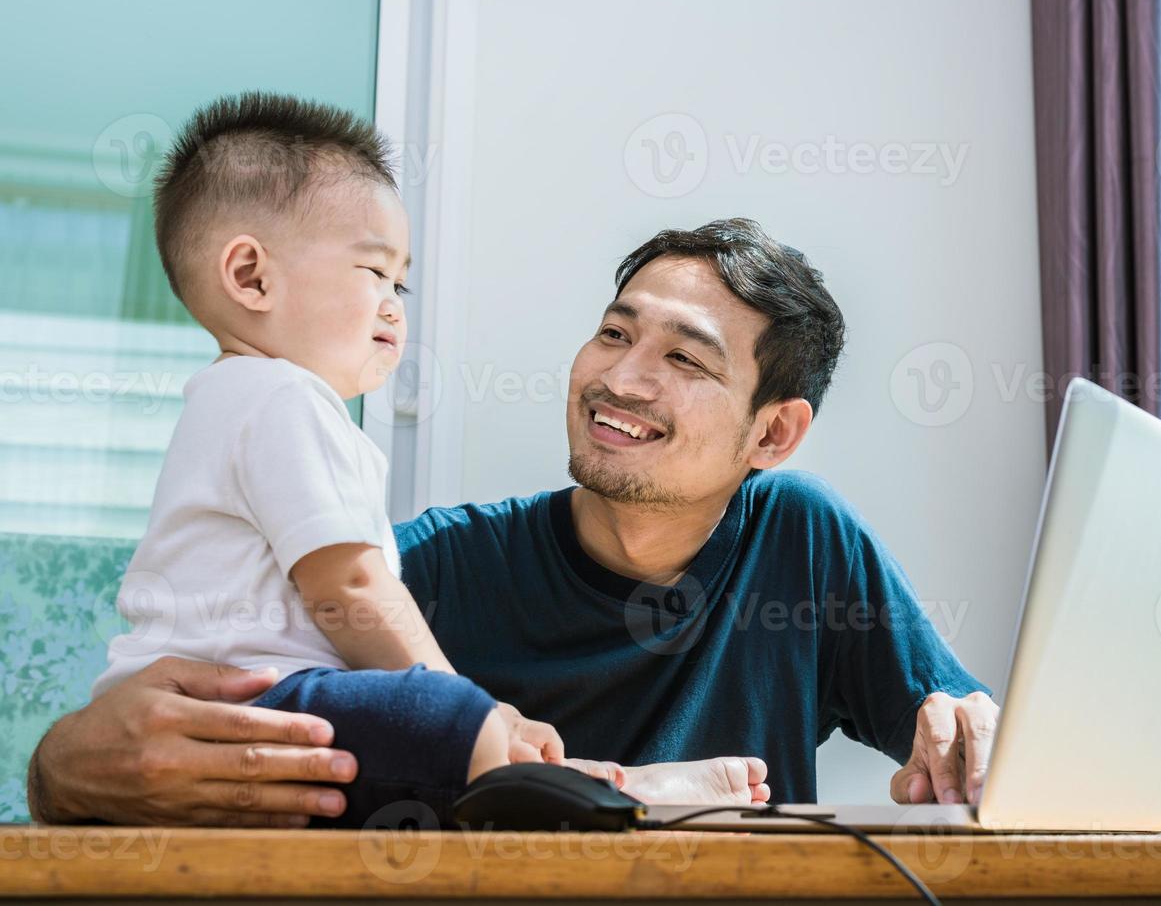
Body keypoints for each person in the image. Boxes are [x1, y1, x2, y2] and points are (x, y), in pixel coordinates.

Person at [28, 218, 999, 827]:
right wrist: (62, 765)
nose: (621, 377)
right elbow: (221, 689)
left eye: (685, 360)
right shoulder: (440, 563)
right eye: (615, 332)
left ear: (774, 430)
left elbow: (963, 730)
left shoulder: (803, 541)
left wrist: (975, 734)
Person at [81, 92, 756, 828]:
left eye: (400, 283)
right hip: (250, 707)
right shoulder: (280, 400)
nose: (396, 306)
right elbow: (347, 584)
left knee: (425, 759)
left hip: (235, 717)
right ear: (250, 276)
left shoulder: (235, 401)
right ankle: (615, 792)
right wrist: (469, 706)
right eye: (375, 273)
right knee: (426, 714)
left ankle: (586, 785)